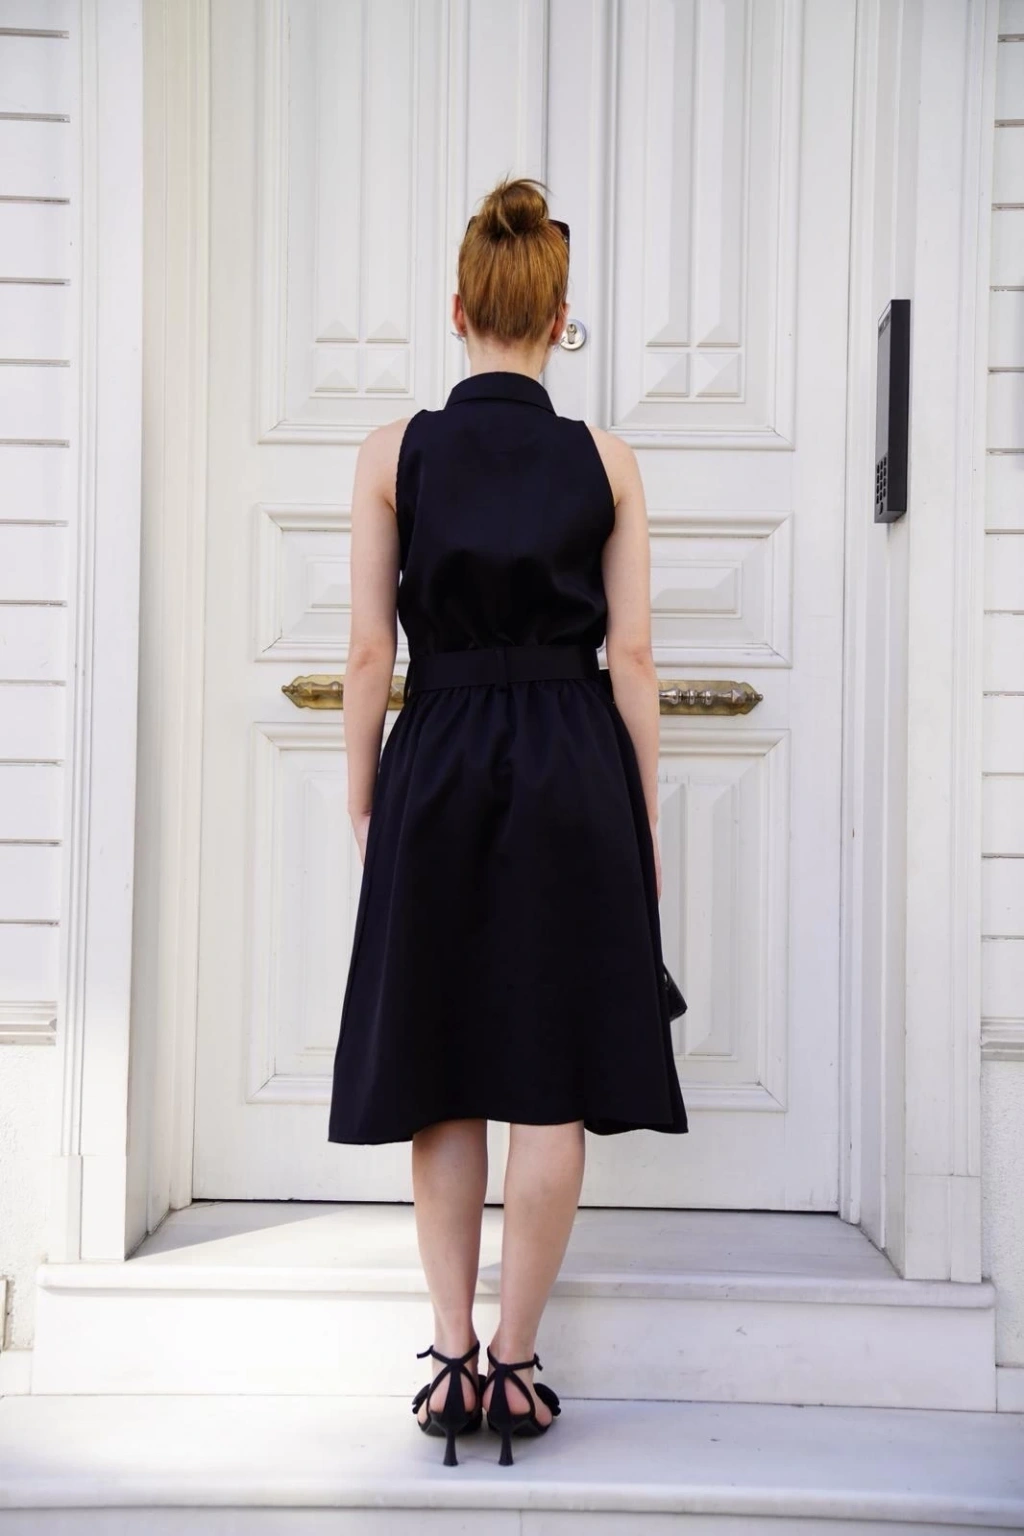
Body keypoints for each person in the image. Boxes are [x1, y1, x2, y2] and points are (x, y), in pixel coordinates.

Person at [328, 174, 688, 1467]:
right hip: (571, 764)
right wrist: (640, 820)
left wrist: (363, 795)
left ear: (459, 309)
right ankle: (519, 1364)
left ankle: (449, 1357)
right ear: (557, 320)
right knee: (550, 1077)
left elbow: (368, 655)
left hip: (437, 760)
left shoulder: (392, 454)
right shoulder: (608, 460)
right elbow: (632, 660)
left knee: (442, 1061)